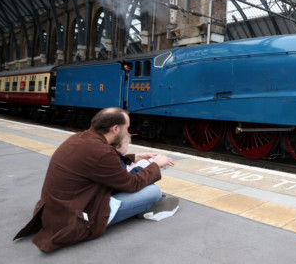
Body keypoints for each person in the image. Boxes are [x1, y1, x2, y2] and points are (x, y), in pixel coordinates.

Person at [13, 107, 175, 252]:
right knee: (153, 192)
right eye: (127, 128)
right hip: (75, 220)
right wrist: (156, 165)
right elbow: (131, 184)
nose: (128, 132)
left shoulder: (81, 138)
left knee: (142, 183)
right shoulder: (101, 151)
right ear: (115, 129)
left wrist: (134, 157)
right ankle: (146, 205)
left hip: (56, 212)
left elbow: (102, 165)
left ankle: (142, 205)